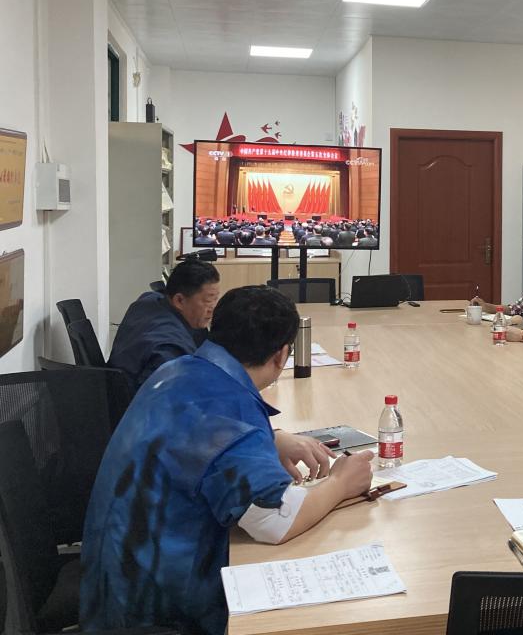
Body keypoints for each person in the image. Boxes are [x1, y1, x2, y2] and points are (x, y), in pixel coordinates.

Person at [80, 286, 374, 634]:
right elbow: (275, 522)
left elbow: (191, 433)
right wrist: (340, 482)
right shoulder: (230, 416)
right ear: (281, 355)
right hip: (157, 613)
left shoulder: (178, 370)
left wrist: (272, 439)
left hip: (113, 583)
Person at [108, 259, 221, 390]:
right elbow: (166, 398)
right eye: (208, 300)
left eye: (216, 299)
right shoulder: (171, 350)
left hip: (113, 387)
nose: (213, 308)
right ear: (179, 300)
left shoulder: (148, 300)